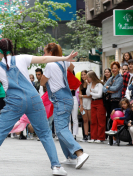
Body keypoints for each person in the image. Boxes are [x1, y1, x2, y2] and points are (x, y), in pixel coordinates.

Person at [0, 39, 80, 175]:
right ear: (12, 48)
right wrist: (65, 58)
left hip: (14, 102)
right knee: (45, 133)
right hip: (34, 99)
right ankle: (56, 166)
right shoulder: (22, 58)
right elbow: (45, 59)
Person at [37, 43, 89, 172]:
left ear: (50, 53)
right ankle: (70, 156)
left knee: (60, 130)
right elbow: (71, 66)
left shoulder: (50, 65)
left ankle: (79, 153)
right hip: (66, 98)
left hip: (60, 100)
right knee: (61, 129)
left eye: (45, 52)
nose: (44, 55)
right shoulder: (63, 63)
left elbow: (42, 82)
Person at [86, 71, 106, 143]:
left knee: (100, 119)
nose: (87, 78)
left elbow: (99, 95)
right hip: (93, 102)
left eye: (88, 77)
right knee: (93, 120)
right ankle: (93, 137)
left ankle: (100, 137)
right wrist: (88, 85)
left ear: (92, 77)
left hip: (99, 102)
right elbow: (87, 93)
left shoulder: (99, 84)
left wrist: (92, 92)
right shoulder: (90, 84)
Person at [103, 62, 123, 126]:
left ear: (119, 68)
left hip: (116, 100)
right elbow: (103, 89)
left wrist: (108, 87)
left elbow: (116, 88)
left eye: (115, 68)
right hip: (109, 100)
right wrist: (109, 91)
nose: (113, 69)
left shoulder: (120, 78)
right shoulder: (111, 78)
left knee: (114, 117)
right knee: (109, 117)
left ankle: (114, 134)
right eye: (112, 68)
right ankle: (111, 134)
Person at [78, 70, 91, 142]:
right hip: (83, 104)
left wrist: (83, 96)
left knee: (90, 120)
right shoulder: (80, 84)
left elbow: (90, 95)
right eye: (82, 75)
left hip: (90, 102)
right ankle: (85, 135)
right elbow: (79, 96)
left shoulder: (90, 83)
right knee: (85, 120)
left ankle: (91, 134)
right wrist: (81, 106)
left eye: (84, 74)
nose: (83, 76)